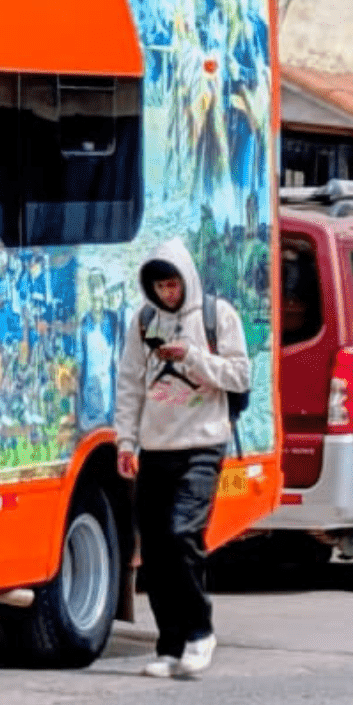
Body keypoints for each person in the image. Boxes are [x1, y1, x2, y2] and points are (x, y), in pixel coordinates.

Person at [114, 237, 250, 679]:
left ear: (186, 280)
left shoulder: (217, 316)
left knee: (181, 534)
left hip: (203, 444)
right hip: (156, 448)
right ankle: (170, 645)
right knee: (154, 551)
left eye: (172, 285)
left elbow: (239, 375)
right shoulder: (143, 322)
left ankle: (200, 632)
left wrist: (192, 357)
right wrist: (125, 442)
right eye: (159, 287)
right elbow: (130, 383)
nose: (167, 293)